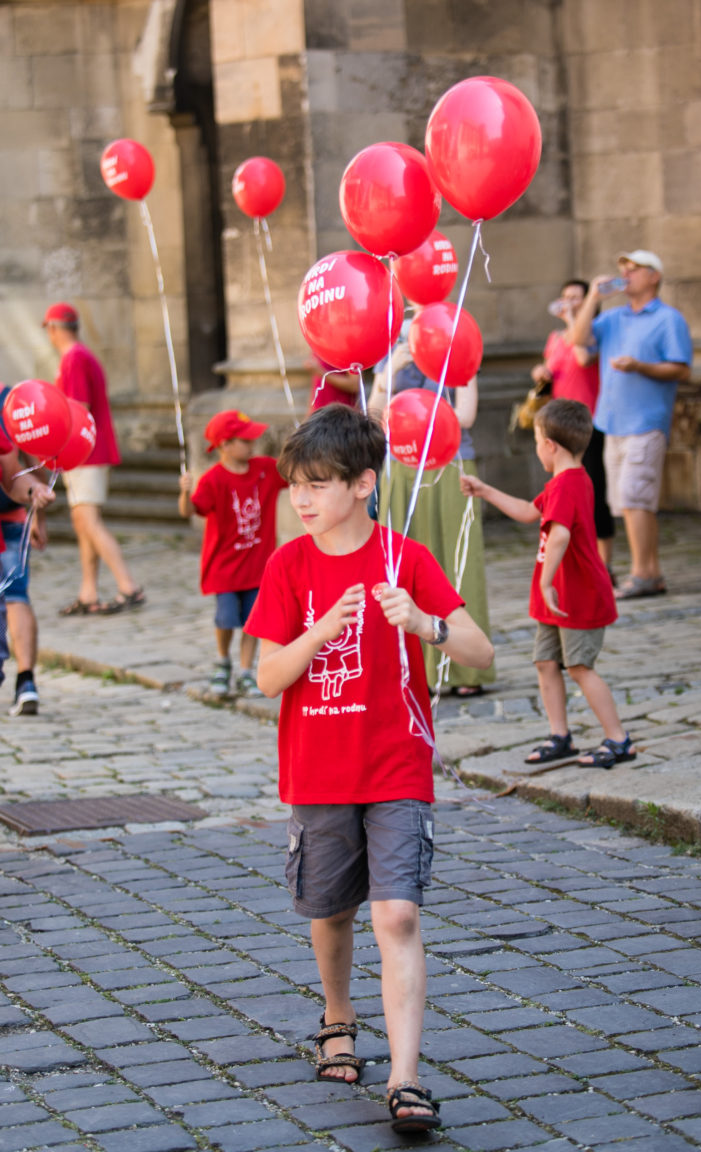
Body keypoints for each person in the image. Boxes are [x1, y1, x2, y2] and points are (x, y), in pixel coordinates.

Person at [245, 404, 494, 1133]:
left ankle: (407, 1079)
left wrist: (424, 623)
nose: (302, 498)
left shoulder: (405, 559)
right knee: (331, 913)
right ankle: (338, 1013)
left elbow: (480, 649)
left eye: (319, 484)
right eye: (297, 484)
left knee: (399, 913)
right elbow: (267, 677)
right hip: (318, 768)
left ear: (363, 484)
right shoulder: (288, 564)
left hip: (396, 765)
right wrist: (319, 631)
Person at [461, 399, 634, 769]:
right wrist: (484, 490)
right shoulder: (560, 483)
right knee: (545, 662)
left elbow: (558, 536)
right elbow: (529, 511)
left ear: (550, 445)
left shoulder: (569, 485)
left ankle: (619, 739)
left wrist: (545, 582)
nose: (537, 447)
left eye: (537, 440)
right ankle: (560, 735)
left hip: (577, 595)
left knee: (580, 667)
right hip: (559, 596)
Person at [368, 340, 496, 695]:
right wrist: (390, 370)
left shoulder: (456, 342)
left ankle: (464, 669)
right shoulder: (391, 350)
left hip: (449, 461)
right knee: (404, 566)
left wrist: (420, 413)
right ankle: (414, 669)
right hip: (401, 466)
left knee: (457, 561)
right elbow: (375, 418)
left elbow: (466, 415)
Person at [568, 251, 693, 599]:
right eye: (623, 268)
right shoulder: (614, 317)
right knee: (626, 501)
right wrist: (592, 296)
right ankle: (650, 572)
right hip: (612, 421)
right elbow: (578, 340)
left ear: (654, 276)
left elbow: (682, 369)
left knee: (636, 498)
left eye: (634, 269)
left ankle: (643, 573)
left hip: (646, 421)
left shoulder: (668, 319)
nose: (625, 273)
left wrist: (640, 366)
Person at [42, 302, 144, 616]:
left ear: (54, 328)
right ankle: (89, 592)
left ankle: (128, 586)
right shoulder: (79, 356)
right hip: (85, 452)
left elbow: (77, 409)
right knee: (81, 521)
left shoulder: (74, 359)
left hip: (86, 452)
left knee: (88, 521)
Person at [179, 409, 286, 698]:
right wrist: (184, 493)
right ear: (225, 445)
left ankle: (246, 671)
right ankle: (223, 660)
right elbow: (191, 510)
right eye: (245, 441)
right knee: (225, 619)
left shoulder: (265, 469)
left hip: (258, 566)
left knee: (254, 621)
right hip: (224, 568)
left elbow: (294, 472)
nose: (252, 446)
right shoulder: (213, 480)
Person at [531, 279, 615, 572]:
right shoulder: (555, 338)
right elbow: (551, 372)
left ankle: (604, 563)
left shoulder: (594, 335)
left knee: (592, 490)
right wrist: (540, 373)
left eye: (576, 298)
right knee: (562, 492)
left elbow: (582, 357)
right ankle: (571, 557)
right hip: (558, 423)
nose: (569, 302)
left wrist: (572, 320)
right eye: (565, 297)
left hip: (587, 422)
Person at [0, 433, 56, 713]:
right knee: (16, 596)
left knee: (14, 595)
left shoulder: (12, 408)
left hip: (9, 522)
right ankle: (26, 683)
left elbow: (13, 474)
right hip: (13, 521)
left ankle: (25, 682)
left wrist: (35, 495)